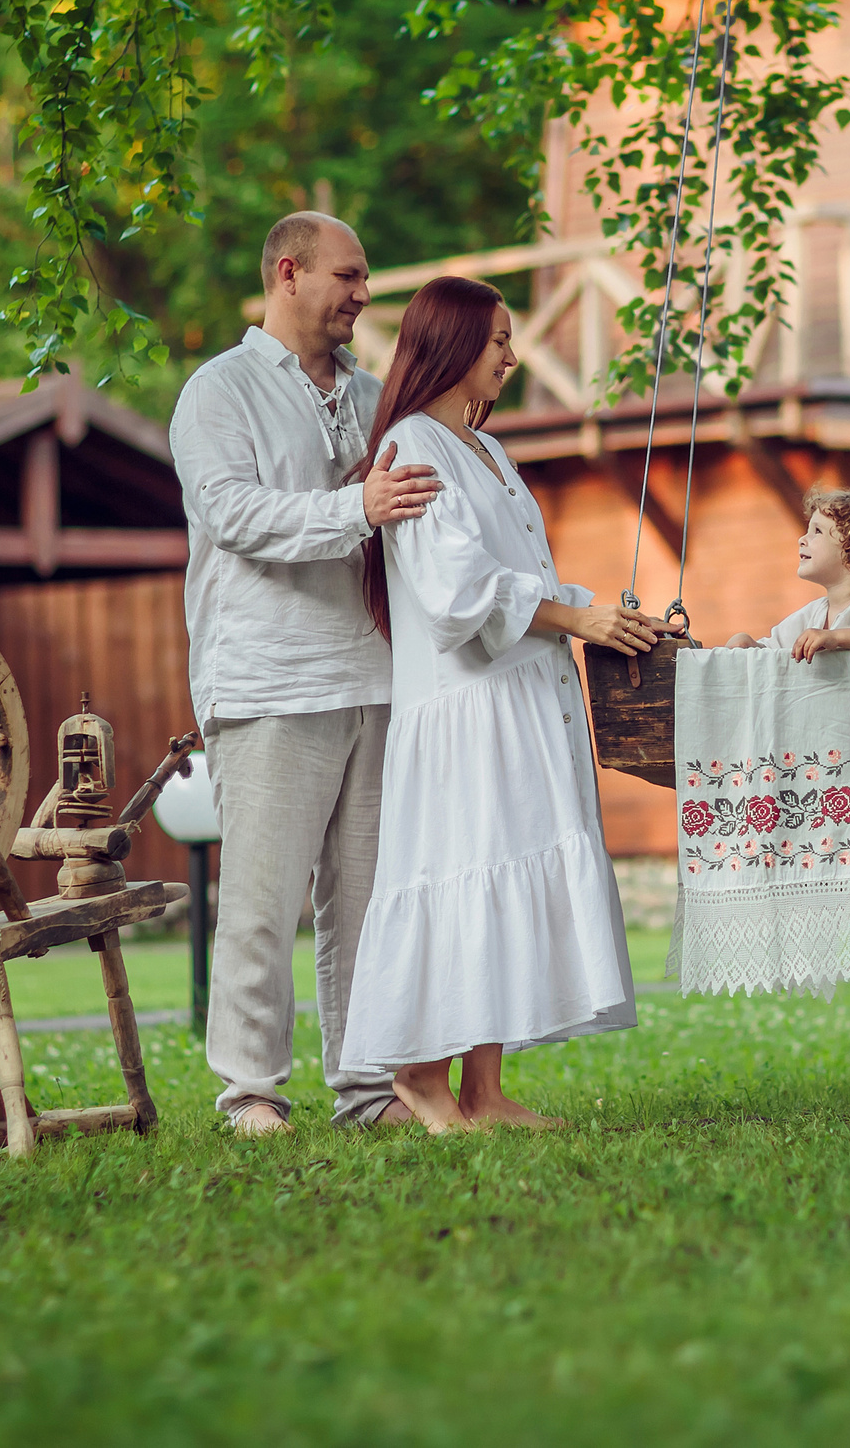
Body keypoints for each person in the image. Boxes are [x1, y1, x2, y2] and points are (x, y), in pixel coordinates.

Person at [338, 276, 666, 1133]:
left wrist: (602, 615)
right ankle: (421, 1075)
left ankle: (482, 1091)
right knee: (462, 870)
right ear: (452, 345)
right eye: (498, 341)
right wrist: (577, 619)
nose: (513, 357)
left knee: (500, 867)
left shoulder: (484, 447)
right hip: (465, 706)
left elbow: (520, 578)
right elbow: (456, 593)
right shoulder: (412, 444)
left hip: (518, 697)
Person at [169, 211, 441, 1136]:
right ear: (288, 273)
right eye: (348, 276)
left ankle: (367, 1090)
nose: (363, 294)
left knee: (366, 904)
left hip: (378, 677)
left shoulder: (376, 398)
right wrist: (357, 507)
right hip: (268, 678)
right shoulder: (219, 391)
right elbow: (234, 515)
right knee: (262, 902)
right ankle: (251, 1091)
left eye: (364, 277)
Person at [719, 489, 850, 661]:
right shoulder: (813, 613)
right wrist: (749, 644)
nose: (802, 539)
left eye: (817, 531)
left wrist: (835, 637)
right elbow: (773, 649)